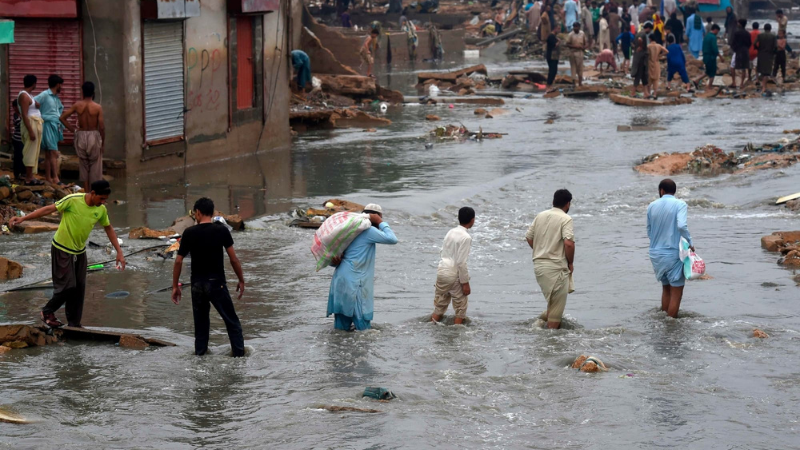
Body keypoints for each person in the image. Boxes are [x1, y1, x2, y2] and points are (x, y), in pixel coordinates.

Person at [7, 180, 126, 328]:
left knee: (79, 288)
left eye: (105, 200)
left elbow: (109, 229)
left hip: (79, 251)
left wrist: (119, 252)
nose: (103, 202)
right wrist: (23, 219)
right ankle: (47, 311)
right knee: (67, 286)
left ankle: (74, 324)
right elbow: (48, 209)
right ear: (92, 193)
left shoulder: (100, 209)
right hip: (61, 248)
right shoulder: (73, 200)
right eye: (101, 198)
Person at [172, 197, 245, 357]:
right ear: (212, 213)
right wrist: (241, 279)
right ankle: (239, 358)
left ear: (197, 213)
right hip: (216, 284)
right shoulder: (221, 230)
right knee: (232, 322)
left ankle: (200, 356)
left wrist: (175, 286)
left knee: (201, 326)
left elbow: (178, 261)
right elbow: (233, 259)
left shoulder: (189, 233)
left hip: (197, 285)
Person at [327, 204, 398, 331]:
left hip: (340, 280)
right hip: (355, 283)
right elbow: (392, 239)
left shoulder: (348, 230)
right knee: (363, 329)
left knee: (341, 329)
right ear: (376, 217)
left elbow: (334, 258)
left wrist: (334, 261)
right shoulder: (369, 231)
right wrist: (381, 222)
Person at [525, 189, 575, 329]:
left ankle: (539, 322)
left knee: (553, 303)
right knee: (556, 313)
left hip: (539, 266)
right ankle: (549, 343)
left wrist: (541, 250)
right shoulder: (566, 219)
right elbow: (569, 243)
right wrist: (570, 262)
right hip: (556, 267)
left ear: (553, 201)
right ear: (568, 204)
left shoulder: (540, 215)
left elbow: (529, 237)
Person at [647, 179, 693, 319]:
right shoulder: (680, 204)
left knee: (666, 288)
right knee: (677, 292)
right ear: (674, 191)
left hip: (655, 253)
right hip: (673, 253)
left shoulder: (651, 205)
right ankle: (670, 326)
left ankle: (664, 321)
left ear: (661, 191)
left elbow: (649, 230)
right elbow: (682, 226)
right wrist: (690, 242)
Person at [431, 207, 475, 325]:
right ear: (472, 220)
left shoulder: (450, 231)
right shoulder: (466, 237)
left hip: (442, 271)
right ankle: (457, 333)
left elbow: (443, 251)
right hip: (453, 274)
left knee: (440, 306)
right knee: (460, 308)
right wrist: (465, 283)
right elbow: (461, 262)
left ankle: (431, 328)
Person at [59, 82, 105, 191]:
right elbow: (102, 127)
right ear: (93, 92)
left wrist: (74, 131)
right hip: (93, 135)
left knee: (84, 164)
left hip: (81, 135)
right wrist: (103, 142)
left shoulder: (77, 105)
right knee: (95, 166)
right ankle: (95, 192)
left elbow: (62, 118)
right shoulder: (97, 107)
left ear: (82, 92)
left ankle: (86, 193)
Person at [34, 74, 65, 185]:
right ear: (57, 85)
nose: (61, 87)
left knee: (48, 153)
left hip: (54, 125)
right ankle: (56, 178)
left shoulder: (56, 98)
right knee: (53, 152)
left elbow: (60, 109)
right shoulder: (44, 95)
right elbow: (32, 102)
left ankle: (48, 177)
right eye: (61, 84)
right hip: (47, 125)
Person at [17, 74, 44, 186]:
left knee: (34, 152)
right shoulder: (24, 96)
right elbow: (24, 114)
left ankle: (31, 176)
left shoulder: (29, 95)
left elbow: (30, 108)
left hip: (35, 123)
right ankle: (28, 178)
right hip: (31, 124)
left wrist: (36, 105)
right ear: (33, 83)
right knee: (30, 152)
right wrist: (31, 131)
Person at [730, 19, 752, 89]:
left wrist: (735, 49)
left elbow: (733, 42)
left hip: (738, 51)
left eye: (738, 23)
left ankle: (734, 82)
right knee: (744, 67)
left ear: (740, 24)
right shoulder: (748, 33)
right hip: (745, 51)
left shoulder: (736, 33)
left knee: (732, 66)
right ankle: (742, 84)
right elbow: (749, 43)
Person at [754, 23, 777, 89]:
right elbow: (775, 46)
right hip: (769, 54)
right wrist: (774, 52)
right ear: (770, 28)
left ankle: (761, 82)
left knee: (761, 68)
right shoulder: (773, 36)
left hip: (761, 54)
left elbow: (754, 43)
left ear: (764, 28)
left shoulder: (760, 35)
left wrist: (758, 48)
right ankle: (764, 86)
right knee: (767, 70)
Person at [703, 24, 723, 90]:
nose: (717, 33)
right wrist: (720, 56)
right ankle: (709, 87)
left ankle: (696, 80)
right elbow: (715, 49)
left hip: (705, 56)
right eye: (717, 31)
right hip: (711, 57)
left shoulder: (707, 36)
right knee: (712, 72)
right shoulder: (713, 37)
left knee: (708, 71)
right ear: (715, 30)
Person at [10, 99, 25, 181]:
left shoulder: (23, 114)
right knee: (18, 157)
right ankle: (17, 174)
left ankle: (23, 173)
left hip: (23, 140)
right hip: (17, 140)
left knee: (24, 156)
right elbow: (18, 123)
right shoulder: (16, 115)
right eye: (16, 106)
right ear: (14, 107)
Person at [545, 26, 561, 92]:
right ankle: (548, 85)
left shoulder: (554, 36)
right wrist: (559, 41)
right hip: (551, 56)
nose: (559, 30)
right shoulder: (551, 36)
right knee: (552, 71)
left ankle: (550, 85)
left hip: (555, 56)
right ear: (555, 29)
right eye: (558, 28)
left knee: (554, 71)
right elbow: (555, 45)